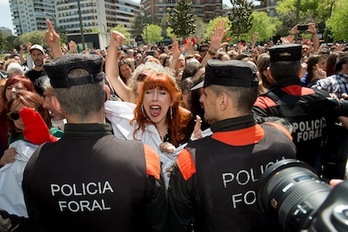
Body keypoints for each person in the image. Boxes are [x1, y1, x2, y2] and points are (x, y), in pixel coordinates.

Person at [22, 54, 167, 231]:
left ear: (56, 104)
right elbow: (160, 224)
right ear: (104, 96)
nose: (44, 105)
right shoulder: (143, 158)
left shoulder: (37, 164)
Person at [167, 59, 297, 231]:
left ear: (222, 101)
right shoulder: (282, 135)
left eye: (205, 94)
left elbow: (176, 225)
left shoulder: (190, 161)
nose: (201, 100)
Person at [253, 44, 341, 177]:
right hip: (315, 174)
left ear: (270, 73)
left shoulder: (262, 104)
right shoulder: (322, 98)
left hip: (281, 177)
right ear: (301, 71)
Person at [0, 90, 57, 218]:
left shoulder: (57, 134)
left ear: (40, 111)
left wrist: (48, 141)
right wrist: (2, 162)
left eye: (27, 113)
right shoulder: (13, 139)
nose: (21, 119)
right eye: (15, 115)